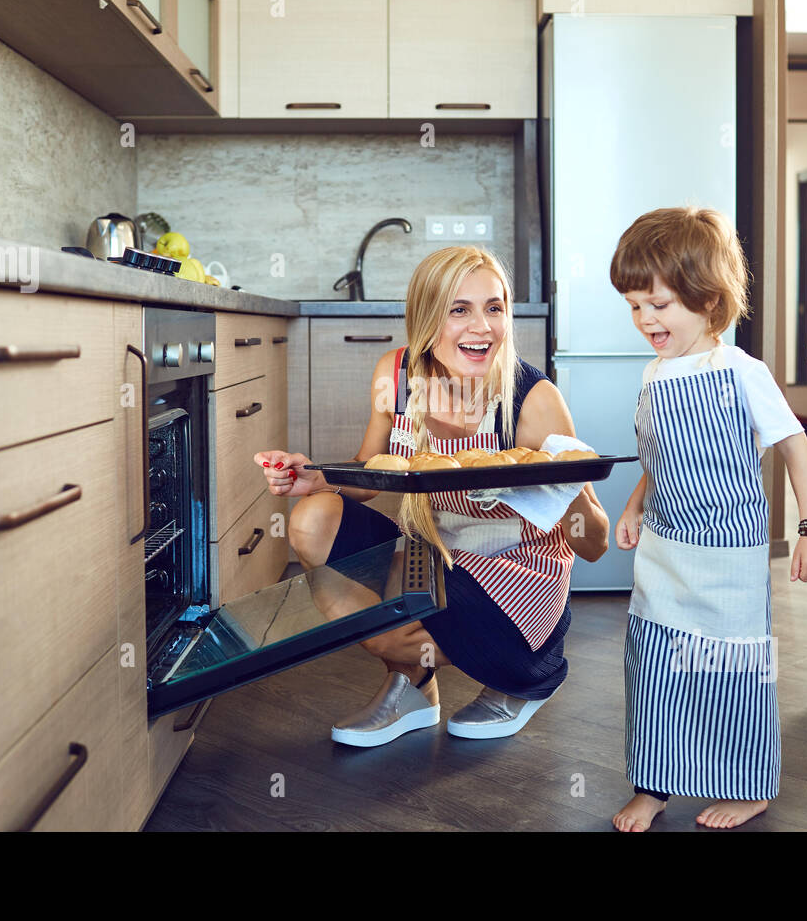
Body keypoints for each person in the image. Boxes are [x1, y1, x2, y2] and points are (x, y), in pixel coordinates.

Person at [254, 245, 609, 747]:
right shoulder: (396, 377)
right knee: (314, 519)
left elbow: (594, 544)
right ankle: (415, 684)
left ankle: (522, 679)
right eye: (459, 309)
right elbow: (374, 471)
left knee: (387, 626)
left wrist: (564, 478)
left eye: (494, 307)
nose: (482, 327)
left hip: (515, 576)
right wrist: (319, 479)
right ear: (426, 316)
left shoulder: (533, 399)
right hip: (428, 553)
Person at [608, 207, 807, 831]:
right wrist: (633, 506)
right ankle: (654, 784)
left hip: (728, 555)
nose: (644, 320)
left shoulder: (741, 373)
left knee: (732, 669)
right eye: (634, 306)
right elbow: (660, 456)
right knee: (653, 666)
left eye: (658, 304)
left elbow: (796, 447)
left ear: (708, 301)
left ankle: (748, 783)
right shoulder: (655, 375)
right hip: (663, 548)